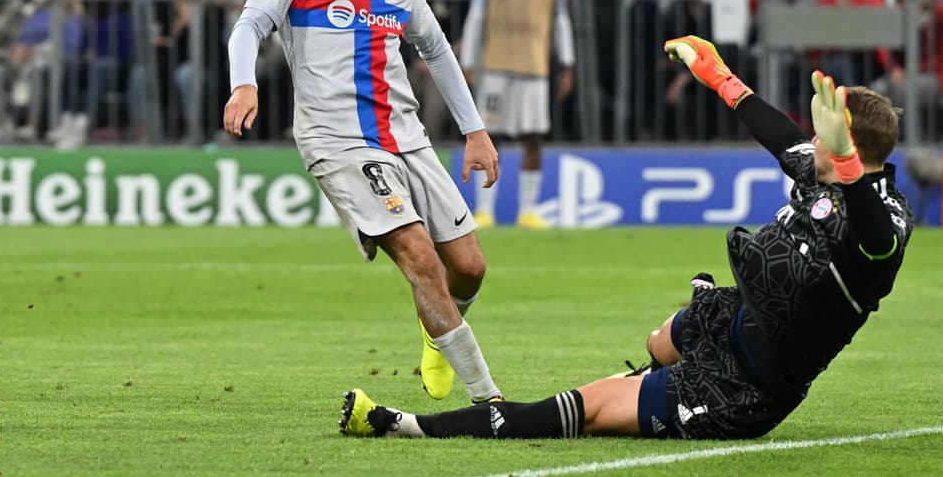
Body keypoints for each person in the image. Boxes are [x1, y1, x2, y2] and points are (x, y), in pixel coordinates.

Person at [341, 43, 913, 440]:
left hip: (744, 387)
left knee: (586, 409)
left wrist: (844, 163)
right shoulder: (823, 170)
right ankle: (647, 383)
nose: (812, 139)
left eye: (827, 137)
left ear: (850, 151)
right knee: (659, 339)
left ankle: (403, 424)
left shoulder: (881, 215)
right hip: (732, 319)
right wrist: (719, 76)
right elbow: (780, 136)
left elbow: (877, 241)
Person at [223, 0, 504, 405]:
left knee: (469, 268)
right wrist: (244, 81)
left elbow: (437, 49)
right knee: (420, 258)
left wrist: (475, 130)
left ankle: (436, 332)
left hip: (406, 136)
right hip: (338, 139)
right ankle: (490, 401)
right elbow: (250, 23)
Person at [460, 0, 574, 229]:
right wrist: (468, 61)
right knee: (489, 136)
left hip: (534, 69)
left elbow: (561, 22)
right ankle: (484, 210)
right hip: (496, 67)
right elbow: (476, 18)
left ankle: (528, 211)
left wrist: (567, 64)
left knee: (533, 137)